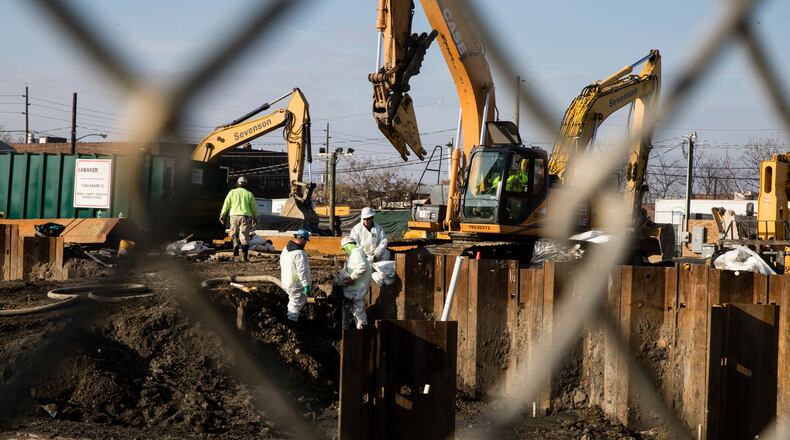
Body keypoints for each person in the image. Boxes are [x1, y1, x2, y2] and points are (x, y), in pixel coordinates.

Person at [219, 176, 258, 262]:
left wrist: (222, 215)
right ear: (245, 185)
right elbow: (254, 208)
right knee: (244, 236)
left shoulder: (232, 192)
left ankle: (235, 243)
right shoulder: (249, 194)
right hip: (245, 217)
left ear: (237, 184)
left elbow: (226, 205)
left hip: (233, 216)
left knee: (233, 232)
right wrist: (255, 218)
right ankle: (244, 257)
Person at [338, 236, 373, 329]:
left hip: (357, 287)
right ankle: (361, 329)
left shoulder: (356, 253)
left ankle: (359, 330)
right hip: (359, 286)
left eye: (344, 249)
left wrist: (351, 278)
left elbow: (362, 267)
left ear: (347, 246)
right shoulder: (357, 253)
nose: (344, 251)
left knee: (355, 309)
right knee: (358, 310)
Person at [280, 229, 312, 324]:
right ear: (302, 239)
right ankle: (291, 329)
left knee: (292, 303)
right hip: (296, 284)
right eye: (305, 241)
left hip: (286, 281)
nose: (305, 243)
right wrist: (306, 285)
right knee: (295, 306)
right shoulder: (299, 253)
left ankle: (290, 323)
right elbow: (302, 271)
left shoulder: (285, 249)